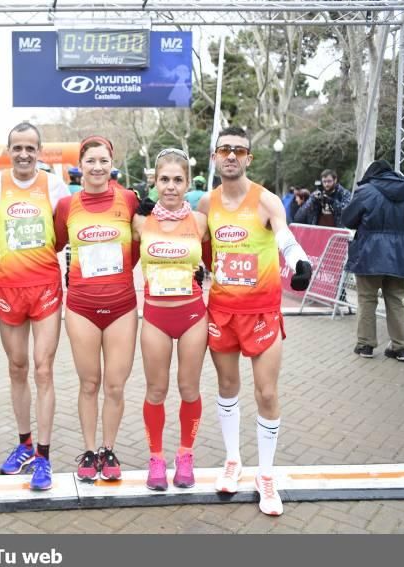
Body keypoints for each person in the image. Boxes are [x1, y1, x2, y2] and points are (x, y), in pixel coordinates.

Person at [197, 126, 312, 516]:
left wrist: (299, 262)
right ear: (215, 157)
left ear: (249, 158)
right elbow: (196, 247)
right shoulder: (206, 205)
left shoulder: (265, 200)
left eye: (239, 151)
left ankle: (266, 475)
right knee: (228, 387)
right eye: (224, 150)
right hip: (222, 312)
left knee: (266, 393)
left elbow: (284, 235)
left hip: (261, 311)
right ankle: (233, 460)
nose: (231, 156)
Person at [0, 122, 70, 491]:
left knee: (43, 369)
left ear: (40, 152)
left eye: (29, 148)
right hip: (9, 288)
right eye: (16, 147)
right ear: (8, 150)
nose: (23, 154)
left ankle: (44, 459)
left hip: (45, 287)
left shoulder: (54, 185)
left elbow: (63, 232)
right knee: (17, 368)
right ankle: (24, 445)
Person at [54, 136, 140, 482]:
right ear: (80, 165)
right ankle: (89, 451)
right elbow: (55, 243)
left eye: (104, 160)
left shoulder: (130, 200)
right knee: (89, 383)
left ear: (112, 162)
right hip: (81, 307)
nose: (98, 167)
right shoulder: (66, 205)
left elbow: (146, 237)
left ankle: (109, 448)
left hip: (121, 305)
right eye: (91, 161)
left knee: (115, 386)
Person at [132, 148, 208, 491]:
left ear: (188, 183)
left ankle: (186, 455)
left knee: (189, 389)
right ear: (155, 182)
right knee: (157, 390)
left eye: (178, 180)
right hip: (155, 317)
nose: (171, 187)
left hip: (193, 314)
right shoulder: (139, 222)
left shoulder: (202, 221)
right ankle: (156, 458)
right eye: (164, 179)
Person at [343, 160, 404, 362]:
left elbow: (348, 219)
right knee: (396, 300)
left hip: (369, 253)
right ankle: (402, 347)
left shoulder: (367, 191)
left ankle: (366, 345)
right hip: (401, 254)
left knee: (367, 299)